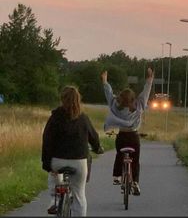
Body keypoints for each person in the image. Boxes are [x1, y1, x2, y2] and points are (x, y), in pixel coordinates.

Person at [42, 85, 104, 217]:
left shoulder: (55, 117)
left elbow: (46, 140)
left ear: (62, 99)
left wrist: (47, 164)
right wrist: (98, 148)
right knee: (79, 195)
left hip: (57, 161)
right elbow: (94, 137)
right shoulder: (83, 118)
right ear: (78, 99)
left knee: (54, 178)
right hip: (79, 162)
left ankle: (54, 199)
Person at [101, 67, 154, 195]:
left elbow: (109, 94)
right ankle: (135, 182)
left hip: (122, 136)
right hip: (133, 137)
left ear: (120, 98)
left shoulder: (114, 106)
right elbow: (146, 92)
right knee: (135, 160)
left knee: (119, 155)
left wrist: (104, 81)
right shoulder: (139, 106)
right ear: (133, 99)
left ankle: (117, 177)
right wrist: (149, 79)